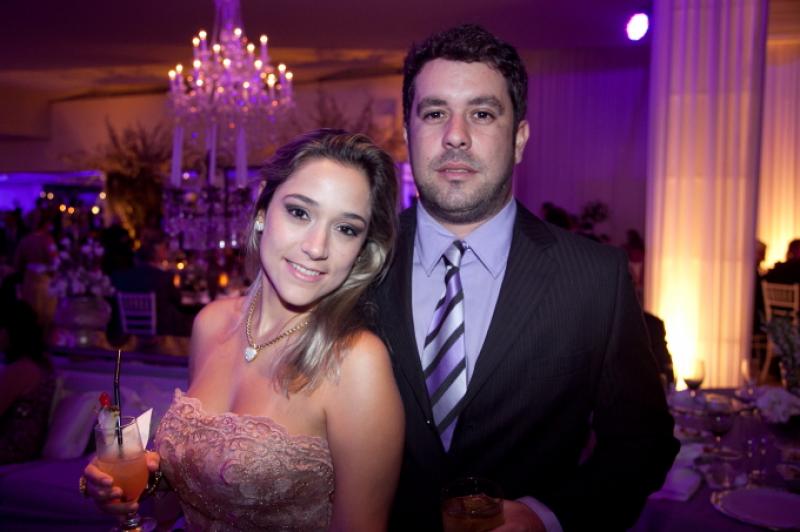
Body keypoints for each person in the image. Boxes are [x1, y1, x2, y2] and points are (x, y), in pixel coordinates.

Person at [371, 25, 679, 531]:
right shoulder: (359, 262)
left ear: (518, 139)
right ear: (407, 135)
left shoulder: (595, 279)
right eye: (434, 113)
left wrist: (548, 516)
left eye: (482, 113)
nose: (455, 135)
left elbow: (643, 443)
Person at [84, 129, 405, 531]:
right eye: (300, 212)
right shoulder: (211, 324)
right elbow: (180, 504)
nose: (317, 246)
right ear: (261, 213)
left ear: (362, 250)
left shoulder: (356, 362)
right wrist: (139, 487)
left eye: (346, 229)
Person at [0, 299, 57, 464]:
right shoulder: (40, 363)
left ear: (9, 332)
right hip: (24, 449)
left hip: (11, 449)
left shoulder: (22, 369)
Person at [109, 229, 192, 339]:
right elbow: (177, 300)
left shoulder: (121, 277)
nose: (167, 251)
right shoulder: (164, 277)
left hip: (127, 334)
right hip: (162, 332)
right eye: (165, 247)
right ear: (156, 251)